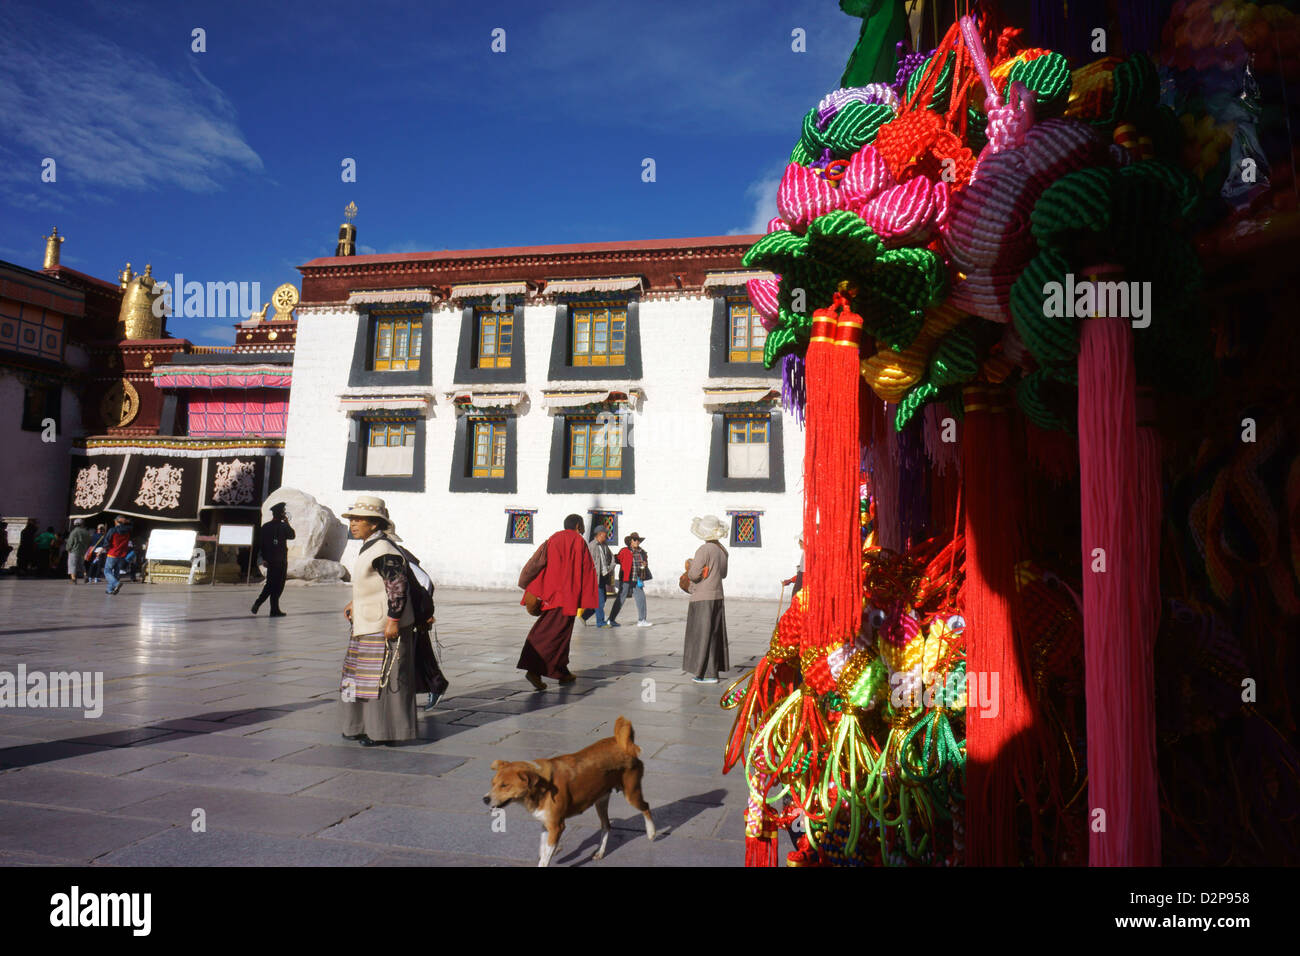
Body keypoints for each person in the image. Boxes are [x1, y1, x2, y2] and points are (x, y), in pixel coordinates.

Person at [339, 496, 418, 746]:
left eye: (359, 519)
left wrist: (394, 620)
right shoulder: (371, 547)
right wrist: (356, 601)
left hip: (383, 626)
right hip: (367, 623)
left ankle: (385, 731)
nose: (353, 524)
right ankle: (357, 726)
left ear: (374, 524)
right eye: (352, 519)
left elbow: (397, 587)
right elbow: (374, 584)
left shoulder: (384, 550)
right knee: (357, 677)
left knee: (382, 680)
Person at [516, 514, 598, 691]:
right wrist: (585, 596)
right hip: (567, 598)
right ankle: (534, 671)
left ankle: (562, 672)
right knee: (550, 635)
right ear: (578, 525)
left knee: (560, 635)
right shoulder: (578, 541)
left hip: (551, 596)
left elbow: (540, 563)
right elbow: (586, 570)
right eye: (582, 526)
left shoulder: (553, 539)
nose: (583, 530)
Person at [682, 515, 730, 684]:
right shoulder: (722, 551)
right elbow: (723, 574)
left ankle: (701, 672)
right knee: (713, 635)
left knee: (701, 635)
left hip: (702, 597)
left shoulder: (704, 550)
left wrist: (691, 567)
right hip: (717, 596)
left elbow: (694, 574)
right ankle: (712, 672)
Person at [251, 502, 295, 617]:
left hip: (270, 560)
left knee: (271, 584)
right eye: (283, 512)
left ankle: (274, 609)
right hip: (280, 560)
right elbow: (292, 535)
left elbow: (261, 544)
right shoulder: (283, 526)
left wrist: (263, 559)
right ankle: (259, 603)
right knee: (277, 585)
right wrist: (287, 522)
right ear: (281, 514)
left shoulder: (265, 527)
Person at [609, 532, 653, 627]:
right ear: (630, 541)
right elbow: (616, 559)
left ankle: (642, 620)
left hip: (637, 579)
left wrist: (645, 565)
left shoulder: (642, 552)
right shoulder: (624, 551)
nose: (637, 542)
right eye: (634, 540)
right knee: (620, 599)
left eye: (638, 540)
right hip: (626, 579)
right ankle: (611, 619)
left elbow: (645, 563)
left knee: (641, 598)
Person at [581, 524, 616, 628]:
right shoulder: (592, 546)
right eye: (605, 535)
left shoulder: (604, 545)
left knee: (603, 598)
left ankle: (584, 616)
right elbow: (587, 562)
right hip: (595, 578)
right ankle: (600, 622)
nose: (606, 537)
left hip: (604, 575)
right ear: (600, 534)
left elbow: (611, 556)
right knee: (599, 600)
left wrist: (611, 566)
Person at [101, 516, 133, 595]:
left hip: (113, 553)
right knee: (116, 572)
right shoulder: (128, 530)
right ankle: (109, 589)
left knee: (107, 571)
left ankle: (116, 583)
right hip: (121, 554)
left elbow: (107, 540)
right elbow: (132, 524)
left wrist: (104, 548)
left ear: (116, 522)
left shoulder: (112, 530)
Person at [66, 519, 92, 584]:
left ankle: (73, 578)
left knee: (72, 564)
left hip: (74, 551)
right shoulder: (86, 532)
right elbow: (89, 542)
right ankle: (85, 575)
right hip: (83, 551)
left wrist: (68, 549)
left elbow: (70, 542)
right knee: (81, 565)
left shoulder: (74, 532)